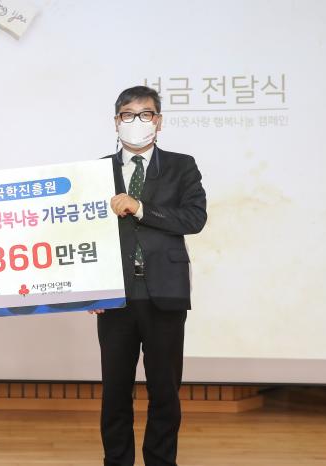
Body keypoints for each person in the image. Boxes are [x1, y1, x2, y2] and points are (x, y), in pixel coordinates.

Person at [93, 85, 207, 466]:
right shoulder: (97, 171)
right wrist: (90, 287)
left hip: (165, 293)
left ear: (158, 121)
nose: (136, 121)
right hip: (116, 296)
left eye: (145, 114)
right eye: (128, 115)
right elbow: (84, 234)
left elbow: (194, 218)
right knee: (114, 392)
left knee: (165, 391)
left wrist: (140, 207)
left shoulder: (181, 166)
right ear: (116, 122)